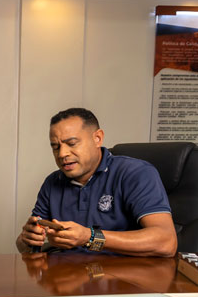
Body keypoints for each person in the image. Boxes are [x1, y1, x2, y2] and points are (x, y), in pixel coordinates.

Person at [16, 108, 176, 257]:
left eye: (72, 144)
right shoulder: (53, 182)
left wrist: (90, 237)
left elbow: (166, 242)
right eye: (56, 147)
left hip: (119, 281)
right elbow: (25, 247)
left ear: (97, 138)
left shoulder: (135, 173)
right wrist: (27, 238)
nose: (62, 154)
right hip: (66, 279)